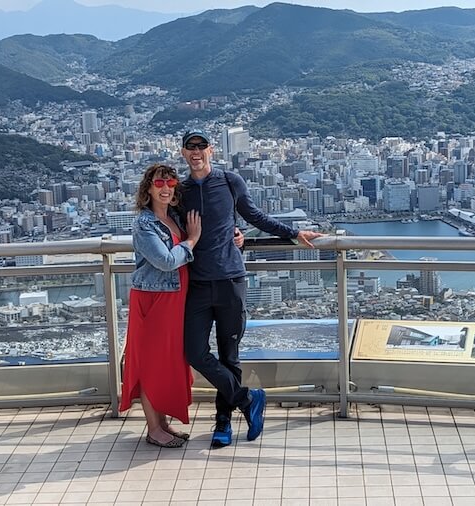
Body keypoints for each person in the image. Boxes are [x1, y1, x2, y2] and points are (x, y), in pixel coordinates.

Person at [179, 130, 325, 448]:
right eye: (190, 147)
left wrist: (293, 232)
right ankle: (248, 399)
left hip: (231, 279)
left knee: (230, 356)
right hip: (199, 284)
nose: (196, 152)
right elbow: (172, 230)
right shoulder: (181, 190)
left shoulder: (230, 181)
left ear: (211, 151)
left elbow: (254, 215)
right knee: (193, 351)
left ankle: (223, 423)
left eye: (201, 146)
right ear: (182, 153)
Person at [119, 163, 201, 448]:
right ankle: (154, 429)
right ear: (148, 188)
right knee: (152, 364)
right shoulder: (144, 223)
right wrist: (190, 241)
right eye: (159, 183)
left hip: (173, 299)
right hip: (153, 300)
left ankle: (163, 424)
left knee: (166, 363)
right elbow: (165, 261)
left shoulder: (172, 217)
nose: (165, 187)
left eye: (170, 182)